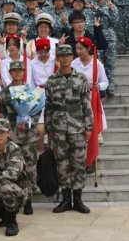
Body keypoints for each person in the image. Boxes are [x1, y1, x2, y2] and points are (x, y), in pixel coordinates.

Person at [44, 44, 93, 214]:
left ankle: (78, 199)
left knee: (78, 164)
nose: (65, 59)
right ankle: (66, 199)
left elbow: (86, 104)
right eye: (61, 56)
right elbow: (48, 106)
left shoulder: (81, 78)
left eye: (68, 55)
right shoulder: (52, 81)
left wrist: (89, 127)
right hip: (58, 128)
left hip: (77, 127)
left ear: (72, 57)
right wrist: (49, 128)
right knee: (62, 164)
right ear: (57, 58)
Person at [0, 61, 39, 216]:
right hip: (12, 136)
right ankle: (14, 199)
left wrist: (28, 123)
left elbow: (36, 112)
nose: (17, 73)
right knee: (13, 167)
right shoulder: (5, 92)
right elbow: (2, 114)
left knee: (30, 168)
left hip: (29, 136)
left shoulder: (31, 90)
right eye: (14, 70)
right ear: (10, 73)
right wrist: (5, 132)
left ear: (24, 72)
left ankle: (28, 200)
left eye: (19, 70)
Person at [71, 36, 108, 149]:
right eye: (77, 49)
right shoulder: (74, 64)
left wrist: (99, 86)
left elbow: (105, 82)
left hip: (92, 95)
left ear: (88, 49)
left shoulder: (97, 64)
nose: (78, 51)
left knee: (93, 115)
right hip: (78, 95)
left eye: (81, 48)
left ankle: (97, 133)